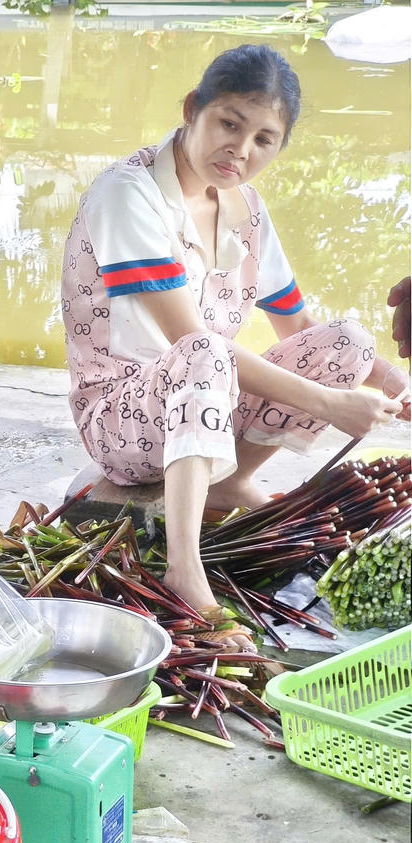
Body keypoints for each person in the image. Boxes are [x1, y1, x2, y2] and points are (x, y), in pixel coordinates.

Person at [59, 44, 408, 649]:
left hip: (199, 396)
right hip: (121, 417)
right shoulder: (129, 193)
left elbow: (299, 333)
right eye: (229, 124)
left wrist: (390, 383)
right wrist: (331, 406)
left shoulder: (245, 208)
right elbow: (191, 341)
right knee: (207, 350)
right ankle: (184, 568)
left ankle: (223, 480)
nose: (241, 151)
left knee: (347, 341)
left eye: (264, 139)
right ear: (193, 108)